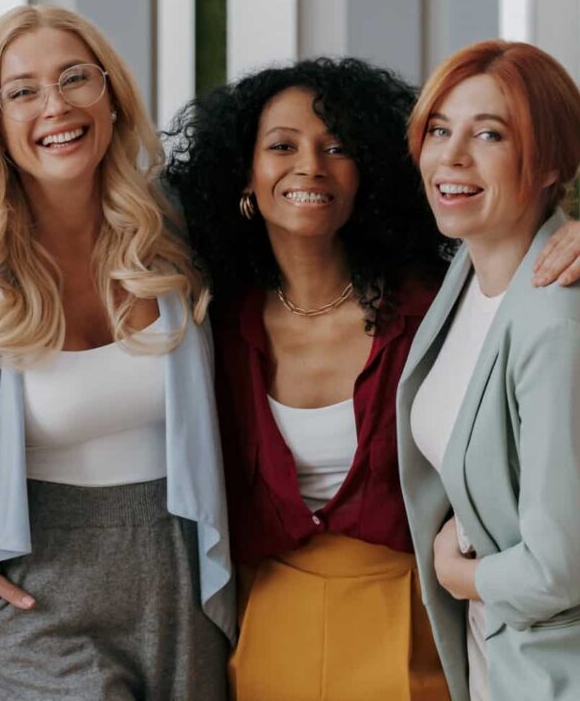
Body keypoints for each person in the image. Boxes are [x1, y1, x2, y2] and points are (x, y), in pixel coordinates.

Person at [0, 5, 234, 700]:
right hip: (34, 588)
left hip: (179, 568)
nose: (56, 105)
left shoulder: (179, 227)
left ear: (111, 93)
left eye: (75, 78)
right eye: (22, 90)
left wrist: (528, 239)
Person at [165, 57, 452, 700]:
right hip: (268, 625)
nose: (310, 166)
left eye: (337, 147)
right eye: (282, 146)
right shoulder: (215, 328)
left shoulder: (433, 313)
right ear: (245, 177)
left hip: (414, 619)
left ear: (366, 174)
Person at [398, 40, 580, 701]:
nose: (451, 156)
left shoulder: (555, 323)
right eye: (440, 130)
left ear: (551, 161)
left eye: (490, 135)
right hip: (494, 664)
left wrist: (457, 573)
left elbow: (559, 571)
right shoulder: (467, 275)